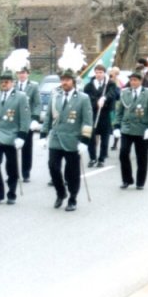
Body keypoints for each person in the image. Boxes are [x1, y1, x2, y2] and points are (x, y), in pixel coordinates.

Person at [40, 69, 93, 211]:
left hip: (73, 139)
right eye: (62, 79)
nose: (64, 82)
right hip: (56, 138)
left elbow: (87, 121)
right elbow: (48, 118)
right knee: (53, 167)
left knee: (72, 172)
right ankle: (61, 192)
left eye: (67, 80)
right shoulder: (55, 96)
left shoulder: (83, 98)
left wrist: (85, 141)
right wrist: (43, 135)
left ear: (73, 82)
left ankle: (73, 198)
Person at [0, 69, 30, 205]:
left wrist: (22, 136)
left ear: (12, 83)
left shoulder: (20, 96)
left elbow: (25, 118)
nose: (4, 84)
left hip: (12, 135)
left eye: (6, 82)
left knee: (11, 167)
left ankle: (11, 192)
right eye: (2, 82)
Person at [114, 70, 148, 190]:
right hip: (127, 128)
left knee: (141, 156)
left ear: (141, 81)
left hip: (142, 129)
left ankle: (140, 182)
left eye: (135, 80)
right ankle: (127, 179)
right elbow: (119, 111)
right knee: (123, 154)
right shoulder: (125, 93)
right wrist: (117, 126)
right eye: (131, 80)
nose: (132, 82)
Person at [83, 64, 117, 167]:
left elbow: (112, 94)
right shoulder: (89, 85)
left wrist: (104, 98)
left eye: (101, 72)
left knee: (104, 138)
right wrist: (96, 102)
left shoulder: (110, 84)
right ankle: (92, 158)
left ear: (104, 73)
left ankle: (102, 159)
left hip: (105, 114)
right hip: (92, 114)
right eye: (97, 72)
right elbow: (86, 98)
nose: (98, 75)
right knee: (90, 137)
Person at [15, 65, 41, 182]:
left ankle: (26, 173)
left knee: (26, 148)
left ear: (28, 73)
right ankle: (13, 173)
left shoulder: (33, 86)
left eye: (24, 72)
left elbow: (37, 104)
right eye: (19, 72)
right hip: (14, 121)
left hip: (27, 121)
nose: (21, 74)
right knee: (12, 148)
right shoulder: (13, 85)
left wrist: (35, 118)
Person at [109, 66, 124, 150]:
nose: (113, 74)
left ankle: (115, 143)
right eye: (112, 72)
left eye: (115, 73)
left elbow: (120, 95)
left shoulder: (119, 83)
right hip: (109, 105)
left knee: (116, 124)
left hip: (116, 105)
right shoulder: (107, 82)